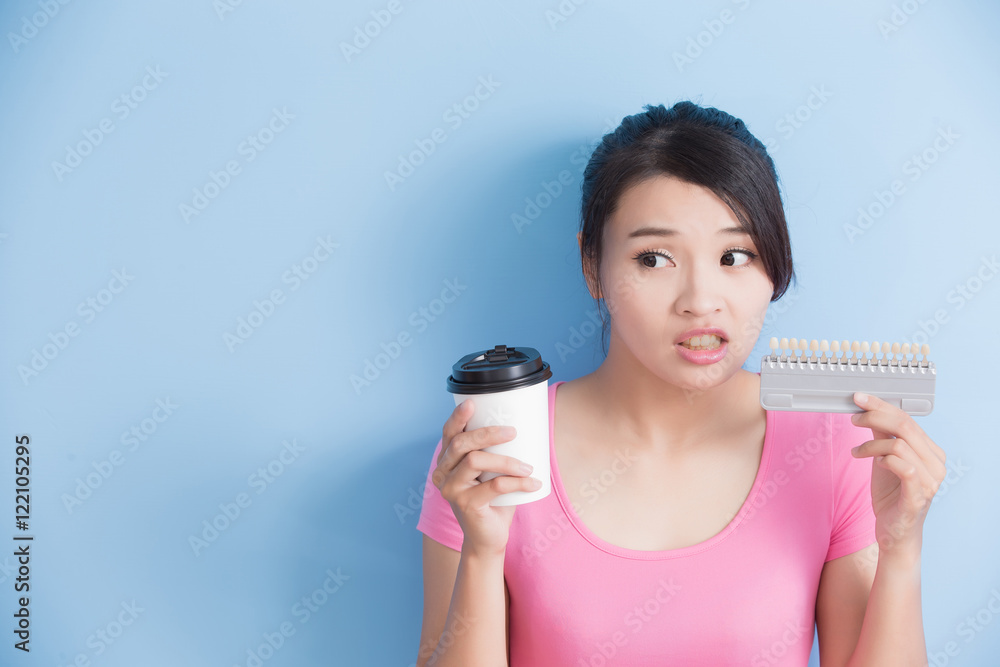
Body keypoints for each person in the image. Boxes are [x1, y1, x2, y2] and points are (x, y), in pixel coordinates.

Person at [415, 100, 947, 666]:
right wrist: (481, 552)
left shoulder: (836, 446)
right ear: (592, 265)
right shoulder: (497, 447)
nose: (700, 300)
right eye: (654, 258)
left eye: (734, 255)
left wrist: (901, 548)